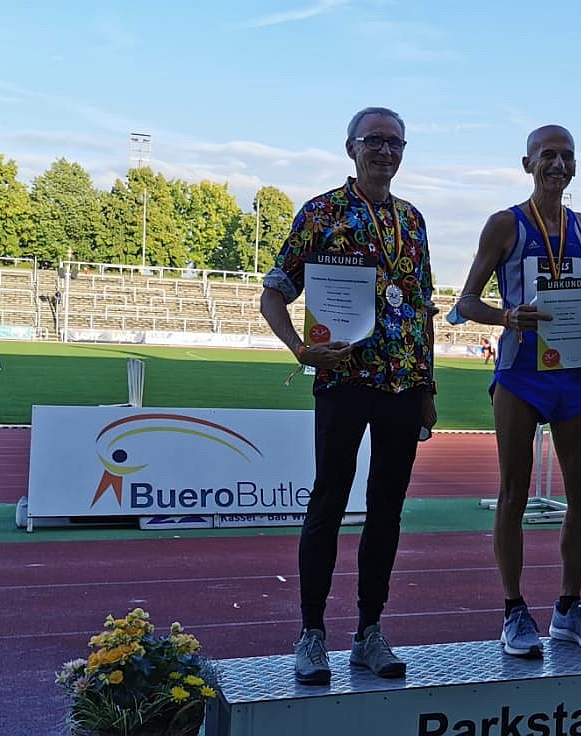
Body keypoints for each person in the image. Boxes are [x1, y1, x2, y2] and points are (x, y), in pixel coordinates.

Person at [260, 106, 436, 684]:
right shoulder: (321, 213)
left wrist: (428, 385)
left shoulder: (413, 221)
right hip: (343, 381)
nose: (385, 151)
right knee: (329, 501)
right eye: (374, 141)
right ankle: (311, 633)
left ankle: (369, 632)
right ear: (351, 147)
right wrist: (299, 349)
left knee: (387, 509)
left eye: (395, 143)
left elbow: (422, 308)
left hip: (403, 384)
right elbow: (274, 293)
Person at [453, 125, 581, 658]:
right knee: (513, 492)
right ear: (527, 163)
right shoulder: (505, 224)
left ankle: (569, 607)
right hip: (520, 376)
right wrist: (507, 316)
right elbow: (465, 302)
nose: (558, 164)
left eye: (567, 156)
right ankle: (513, 610)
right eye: (547, 155)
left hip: (571, 376)